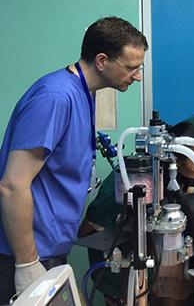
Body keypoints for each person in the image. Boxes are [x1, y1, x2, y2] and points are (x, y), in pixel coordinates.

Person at [0, 17, 148, 303]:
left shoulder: (84, 93)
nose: (138, 76)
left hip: (49, 245)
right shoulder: (56, 97)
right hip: (26, 251)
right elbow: (12, 185)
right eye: (131, 67)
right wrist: (27, 263)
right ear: (102, 60)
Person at [79, 122, 194, 305]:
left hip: (151, 264)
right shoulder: (132, 180)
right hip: (119, 264)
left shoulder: (179, 179)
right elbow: (89, 226)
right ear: (176, 159)